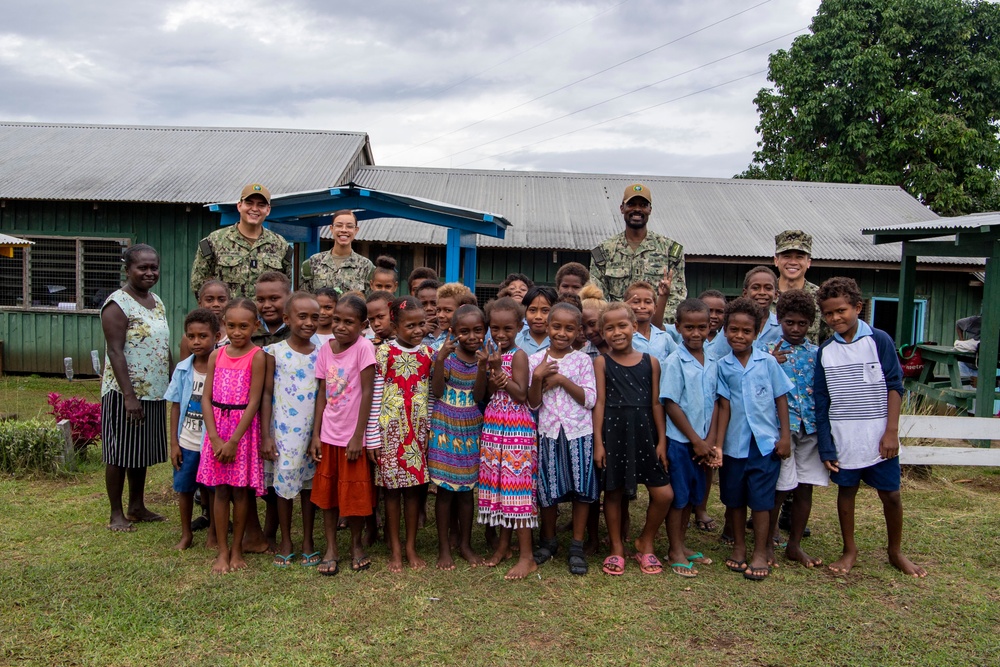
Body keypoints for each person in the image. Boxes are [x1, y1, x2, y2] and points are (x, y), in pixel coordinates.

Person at [815, 277, 926, 577]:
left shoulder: (879, 341)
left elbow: (894, 386)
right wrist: (826, 445)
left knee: (890, 494)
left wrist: (891, 432)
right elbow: (822, 402)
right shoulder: (825, 351)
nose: (836, 317)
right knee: (847, 492)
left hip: (879, 439)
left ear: (858, 307)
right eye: (829, 313)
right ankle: (849, 550)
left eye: (841, 310)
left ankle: (895, 551)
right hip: (844, 440)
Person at [714, 297, 793, 582]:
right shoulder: (722, 366)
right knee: (734, 500)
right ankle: (738, 546)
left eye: (746, 331)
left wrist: (784, 436)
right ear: (725, 330)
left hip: (764, 444)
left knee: (761, 501)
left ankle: (761, 550)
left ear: (757, 333)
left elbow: (781, 398)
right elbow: (722, 406)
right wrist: (718, 445)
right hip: (735, 445)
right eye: (733, 329)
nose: (739, 335)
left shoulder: (768, 363)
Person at [593, 302, 673, 575]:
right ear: (603, 333)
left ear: (634, 327)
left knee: (663, 493)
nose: (617, 332)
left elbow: (656, 404)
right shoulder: (601, 362)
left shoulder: (651, 362)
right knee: (613, 493)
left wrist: (661, 440)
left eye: (622, 325)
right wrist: (598, 443)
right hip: (613, 433)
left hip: (645, 434)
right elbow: (600, 403)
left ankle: (645, 541)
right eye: (610, 328)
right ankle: (616, 548)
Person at [100, 243, 171, 533]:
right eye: (142, 267)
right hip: (123, 393)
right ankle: (117, 513)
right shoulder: (117, 303)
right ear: (127, 269)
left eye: (154, 267)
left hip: (152, 391)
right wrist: (129, 396)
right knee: (119, 453)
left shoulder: (156, 301)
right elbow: (116, 352)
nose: (150, 272)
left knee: (138, 451)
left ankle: (137, 506)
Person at [196, 298, 267, 574]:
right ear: (224, 325)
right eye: (232, 326)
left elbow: (254, 401)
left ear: (255, 326)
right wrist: (214, 438)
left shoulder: (257, 355)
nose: (237, 332)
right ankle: (222, 552)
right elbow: (206, 398)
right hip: (217, 429)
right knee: (220, 491)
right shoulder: (217, 354)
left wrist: (234, 440)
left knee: (240, 492)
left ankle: (237, 548)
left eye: (244, 326)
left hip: (242, 432)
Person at [528, 303, 598, 576]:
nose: (562, 333)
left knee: (582, 489)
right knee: (548, 489)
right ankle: (549, 541)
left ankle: (577, 546)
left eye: (570, 328)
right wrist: (538, 378)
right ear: (547, 327)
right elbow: (533, 404)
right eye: (556, 327)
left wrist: (560, 381)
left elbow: (590, 399)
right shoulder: (535, 360)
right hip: (547, 433)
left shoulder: (583, 360)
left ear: (578, 331)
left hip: (579, 433)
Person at [311, 294, 378, 575]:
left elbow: (367, 394)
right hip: (328, 434)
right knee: (327, 495)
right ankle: (331, 547)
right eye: (336, 319)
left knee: (355, 495)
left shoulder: (364, 349)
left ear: (362, 325)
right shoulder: (326, 349)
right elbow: (322, 394)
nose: (340, 326)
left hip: (352, 438)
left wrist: (357, 436)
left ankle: (356, 544)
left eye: (348, 322)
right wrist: (315, 434)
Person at [370, 296, 434, 572]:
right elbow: (374, 395)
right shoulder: (383, 353)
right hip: (389, 431)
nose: (418, 330)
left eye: (421, 324)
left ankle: (410, 546)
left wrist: (428, 427)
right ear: (395, 326)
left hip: (417, 432)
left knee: (413, 491)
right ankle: (395, 547)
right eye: (410, 325)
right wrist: (372, 435)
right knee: (392, 492)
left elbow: (430, 396)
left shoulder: (429, 354)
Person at [478, 297, 539, 580]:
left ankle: (527, 556)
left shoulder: (519, 355)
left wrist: (497, 370)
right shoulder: (490, 352)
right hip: (494, 425)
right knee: (501, 487)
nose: (501, 334)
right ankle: (503, 545)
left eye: (507, 329)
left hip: (516, 428)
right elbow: (488, 394)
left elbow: (520, 394)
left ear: (519, 327)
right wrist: (488, 368)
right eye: (495, 328)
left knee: (517, 487)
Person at [659, 299, 721, 578]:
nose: (696, 333)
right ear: (678, 327)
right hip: (681, 442)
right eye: (689, 328)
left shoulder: (713, 360)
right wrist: (696, 440)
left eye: (702, 327)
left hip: (703, 443)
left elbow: (717, 402)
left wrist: (709, 441)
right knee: (679, 499)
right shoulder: (675, 361)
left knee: (695, 496)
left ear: (710, 327)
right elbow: (670, 404)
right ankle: (674, 550)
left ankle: (682, 545)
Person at [260, 292, 321, 568]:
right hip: (283, 432)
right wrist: (266, 435)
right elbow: (266, 394)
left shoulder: (322, 354)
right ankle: (286, 539)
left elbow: (322, 394)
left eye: (315, 317)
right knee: (283, 486)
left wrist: (318, 434)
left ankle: (308, 539)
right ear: (287, 319)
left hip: (312, 433)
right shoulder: (274, 352)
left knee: (310, 487)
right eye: (302, 316)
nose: (309, 323)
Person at [767, 289, 826, 568]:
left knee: (805, 487)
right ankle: (767, 542)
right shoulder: (768, 352)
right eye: (789, 322)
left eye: (802, 323)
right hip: (783, 430)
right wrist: (770, 364)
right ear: (779, 319)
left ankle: (795, 545)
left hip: (810, 428)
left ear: (810, 323)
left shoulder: (817, 354)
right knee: (780, 488)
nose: (795, 328)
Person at [429, 304, 489, 570]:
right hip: (445, 427)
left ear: (485, 331)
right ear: (453, 332)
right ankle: (444, 548)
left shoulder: (485, 358)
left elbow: (478, 397)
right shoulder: (446, 358)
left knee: (466, 493)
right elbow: (438, 392)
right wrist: (440, 360)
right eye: (464, 331)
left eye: (478, 330)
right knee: (444, 491)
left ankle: (465, 544)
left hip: (471, 428)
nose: (472, 336)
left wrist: (483, 367)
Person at [590, 183, 686, 319]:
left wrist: (655, 325)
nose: (637, 209)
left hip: (656, 330)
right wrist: (616, 317)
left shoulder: (670, 251)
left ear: (650, 210)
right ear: (622, 208)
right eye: (631, 204)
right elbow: (597, 296)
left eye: (643, 205)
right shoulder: (604, 251)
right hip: (617, 327)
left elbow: (677, 295)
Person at [166, 308, 221, 550]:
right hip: (187, 441)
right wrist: (174, 443)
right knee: (185, 488)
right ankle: (186, 533)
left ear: (217, 337)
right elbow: (176, 407)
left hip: (212, 442)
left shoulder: (222, 367)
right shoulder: (182, 369)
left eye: (202, 336)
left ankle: (213, 532)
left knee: (212, 489)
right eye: (191, 336)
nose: (196, 342)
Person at [191, 183, 293, 299]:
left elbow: (285, 287)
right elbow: (198, 285)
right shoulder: (214, 241)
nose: (254, 209)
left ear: (268, 210)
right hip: (227, 316)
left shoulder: (281, 245)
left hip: (263, 316)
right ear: (239, 206)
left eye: (261, 205)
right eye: (249, 203)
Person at [299, 210, 374, 295]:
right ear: (331, 228)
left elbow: (370, 302)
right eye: (339, 225)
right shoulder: (312, 263)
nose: (344, 230)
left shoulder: (366, 266)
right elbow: (305, 300)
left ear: (356, 230)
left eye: (349, 226)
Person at [774, 230, 827, 344]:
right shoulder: (763, 295)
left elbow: (829, 339)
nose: (793, 262)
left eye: (799, 257)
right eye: (787, 256)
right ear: (776, 260)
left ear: (808, 262)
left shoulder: (821, 297)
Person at [626, 281, 678, 366]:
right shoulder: (625, 336)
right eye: (636, 302)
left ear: (655, 308)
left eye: (647, 302)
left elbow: (679, 357)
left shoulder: (664, 337)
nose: (642, 306)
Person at [180, 280, 230, 360]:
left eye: (221, 300)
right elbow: (184, 368)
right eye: (209, 300)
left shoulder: (233, 334)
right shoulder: (188, 338)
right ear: (200, 304)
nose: (216, 304)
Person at [252, 271, 294, 347]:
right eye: (261, 300)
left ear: (289, 297)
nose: (266, 305)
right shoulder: (248, 329)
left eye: (274, 298)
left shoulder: (298, 330)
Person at [516, 286, 556, 356]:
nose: (538, 317)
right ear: (525, 312)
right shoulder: (516, 342)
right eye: (532, 310)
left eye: (545, 311)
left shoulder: (560, 342)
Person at [579, 283, 608, 359]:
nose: (589, 332)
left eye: (592, 324)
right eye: (584, 327)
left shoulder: (626, 349)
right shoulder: (582, 357)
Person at [416, 279, 444, 348]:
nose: (429, 308)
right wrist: (422, 332)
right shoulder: (412, 332)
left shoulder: (450, 331)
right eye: (423, 304)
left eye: (434, 303)